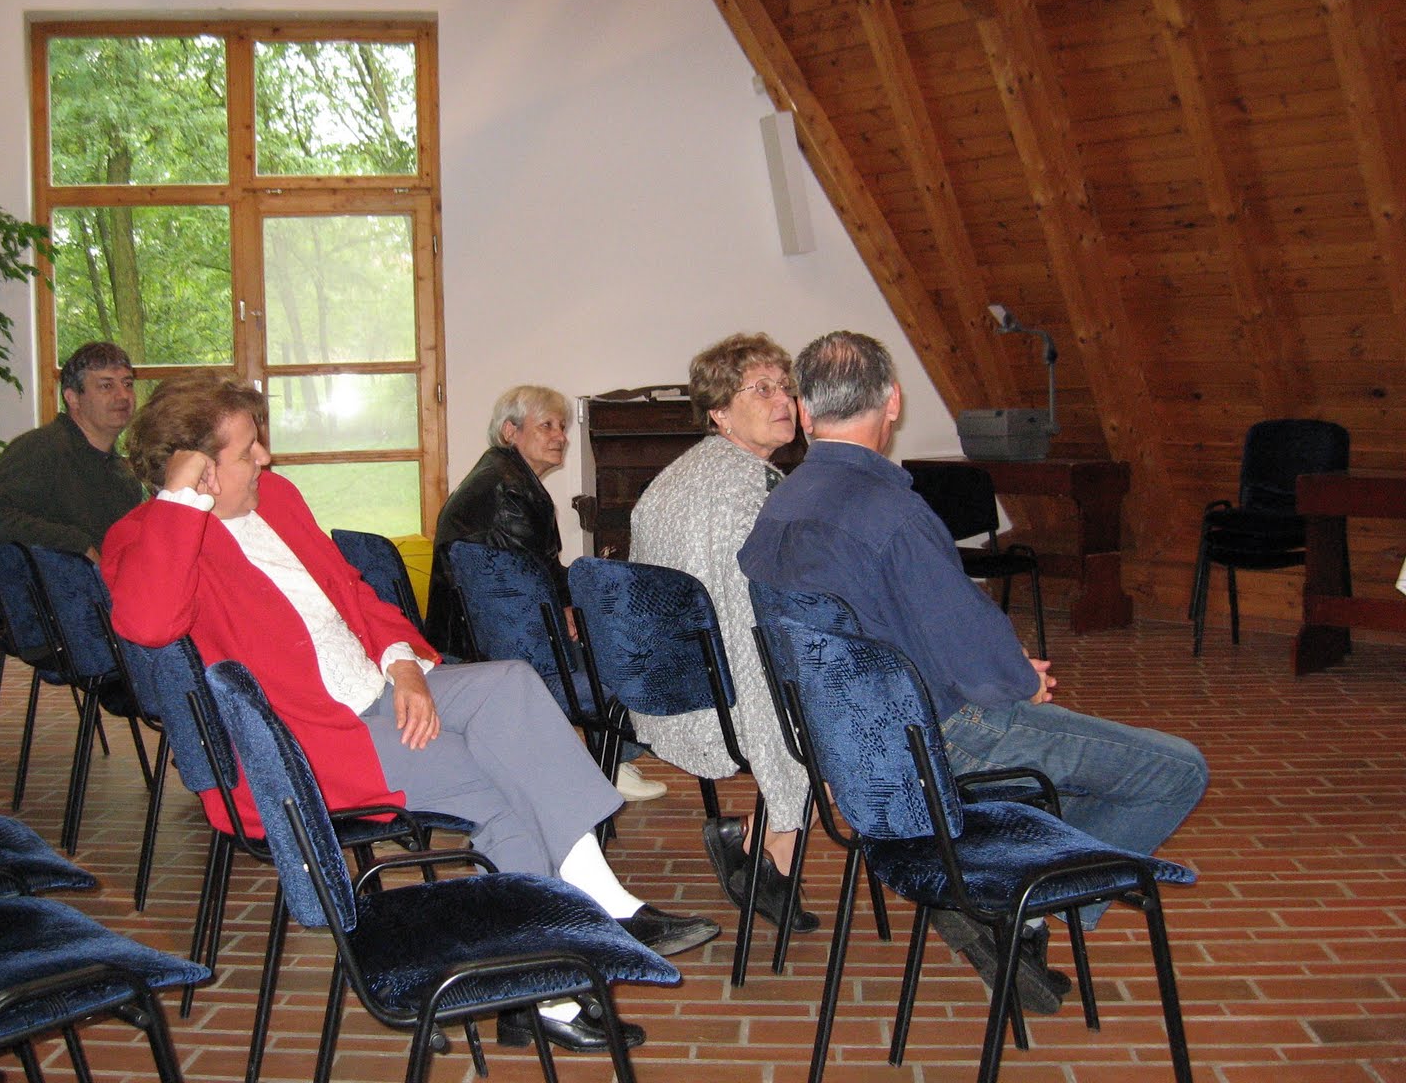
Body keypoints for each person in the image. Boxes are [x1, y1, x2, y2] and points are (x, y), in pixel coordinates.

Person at [103, 371, 717, 1053]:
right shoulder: (149, 537)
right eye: (248, 450)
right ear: (199, 470)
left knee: (513, 686)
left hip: (376, 688)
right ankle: (544, 994)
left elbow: (352, 591)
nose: (266, 459)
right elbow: (148, 623)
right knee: (500, 791)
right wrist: (179, 502)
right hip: (312, 741)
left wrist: (401, 663)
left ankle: (603, 901)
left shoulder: (275, 498)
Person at [738, 330, 1209, 1014]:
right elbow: (975, 659)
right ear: (892, 402)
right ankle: (1023, 907)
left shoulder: (779, 505)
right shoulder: (892, 514)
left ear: (806, 412)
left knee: (1045, 767)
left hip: (851, 746)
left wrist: (997, 668)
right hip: (941, 736)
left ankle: (1004, 886)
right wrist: (1022, 678)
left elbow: (864, 634)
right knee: (1177, 770)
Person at [629, 333, 819, 934]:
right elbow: (757, 624)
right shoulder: (753, 487)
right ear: (720, 411)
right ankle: (769, 858)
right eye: (761, 389)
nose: (783, 400)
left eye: (786, 387)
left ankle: (757, 843)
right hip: (718, 694)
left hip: (661, 685)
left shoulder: (675, 476)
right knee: (842, 709)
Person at [426, 385, 666, 802]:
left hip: (467, 636)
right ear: (510, 431)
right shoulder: (510, 491)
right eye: (547, 426)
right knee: (619, 639)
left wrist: (571, 601)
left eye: (563, 426)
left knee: (602, 616)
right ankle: (608, 761)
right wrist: (570, 607)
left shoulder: (498, 478)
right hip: (495, 647)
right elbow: (530, 576)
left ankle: (609, 758)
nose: (561, 436)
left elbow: (533, 571)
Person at [0, 341, 140, 561]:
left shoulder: (124, 477)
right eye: (106, 386)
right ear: (72, 398)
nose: (123, 396)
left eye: (128, 384)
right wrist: (75, 543)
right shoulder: (41, 449)